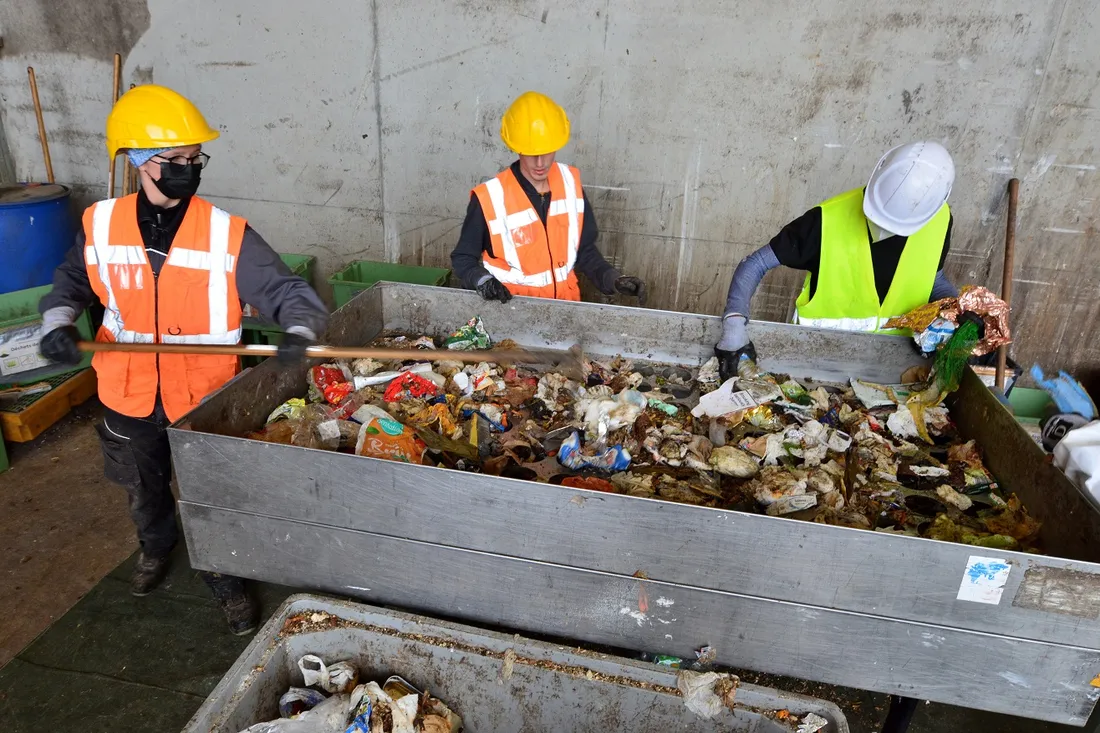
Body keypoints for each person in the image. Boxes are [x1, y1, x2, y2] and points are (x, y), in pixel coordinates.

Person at [37, 85, 328, 635]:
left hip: (202, 397)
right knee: (143, 485)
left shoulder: (224, 233)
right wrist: (56, 320)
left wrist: (297, 327)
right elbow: (73, 280)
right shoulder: (99, 224)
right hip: (126, 390)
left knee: (210, 491)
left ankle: (224, 575)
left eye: (195, 160)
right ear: (139, 162)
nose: (189, 170)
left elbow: (289, 293)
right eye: (176, 161)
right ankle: (154, 547)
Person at [715, 141, 959, 381]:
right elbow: (755, 264)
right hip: (815, 372)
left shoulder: (938, 223)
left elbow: (934, 280)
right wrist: (734, 324)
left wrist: (954, 311)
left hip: (896, 372)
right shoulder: (826, 222)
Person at [451, 91, 645, 304]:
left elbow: (584, 251)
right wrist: (482, 280)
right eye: (531, 153)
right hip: (511, 311)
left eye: (547, 151)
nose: (540, 162)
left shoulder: (570, 185)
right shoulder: (489, 198)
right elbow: (463, 258)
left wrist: (613, 278)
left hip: (564, 310)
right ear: (517, 149)